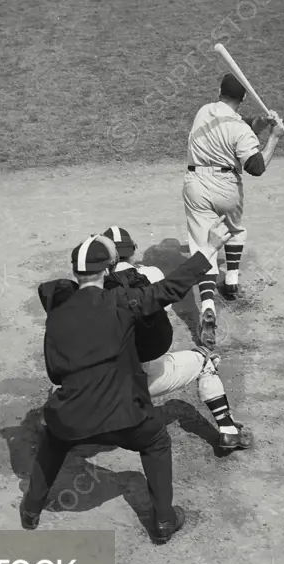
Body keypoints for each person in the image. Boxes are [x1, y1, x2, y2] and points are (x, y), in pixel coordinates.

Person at [20, 218, 234, 544]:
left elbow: (54, 374)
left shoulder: (58, 312)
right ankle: (163, 521)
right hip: (124, 415)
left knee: (55, 438)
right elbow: (171, 287)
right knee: (156, 441)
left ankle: (30, 509)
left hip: (72, 415)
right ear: (107, 270)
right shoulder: (122, 301)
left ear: (76, 273)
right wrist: (208, 249)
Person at [101, 225, 252, 450]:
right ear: (133, 250)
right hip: (146, 377)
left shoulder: (92, 290)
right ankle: (228, 431)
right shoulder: (151, 275)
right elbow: (166, 305)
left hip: (103, 387)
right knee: (205, 361)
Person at [184, 72, 284, 349]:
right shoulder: (240, 129)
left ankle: (207, 305)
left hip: (196, 185)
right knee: (234, 229)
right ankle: (231, 280)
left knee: (204, 245)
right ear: (242, 99)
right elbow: (256, 166)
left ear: (219, 92)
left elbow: (238, 124)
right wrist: (274, 137)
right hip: (227, 187)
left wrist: (261, 124)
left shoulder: (204, 111)